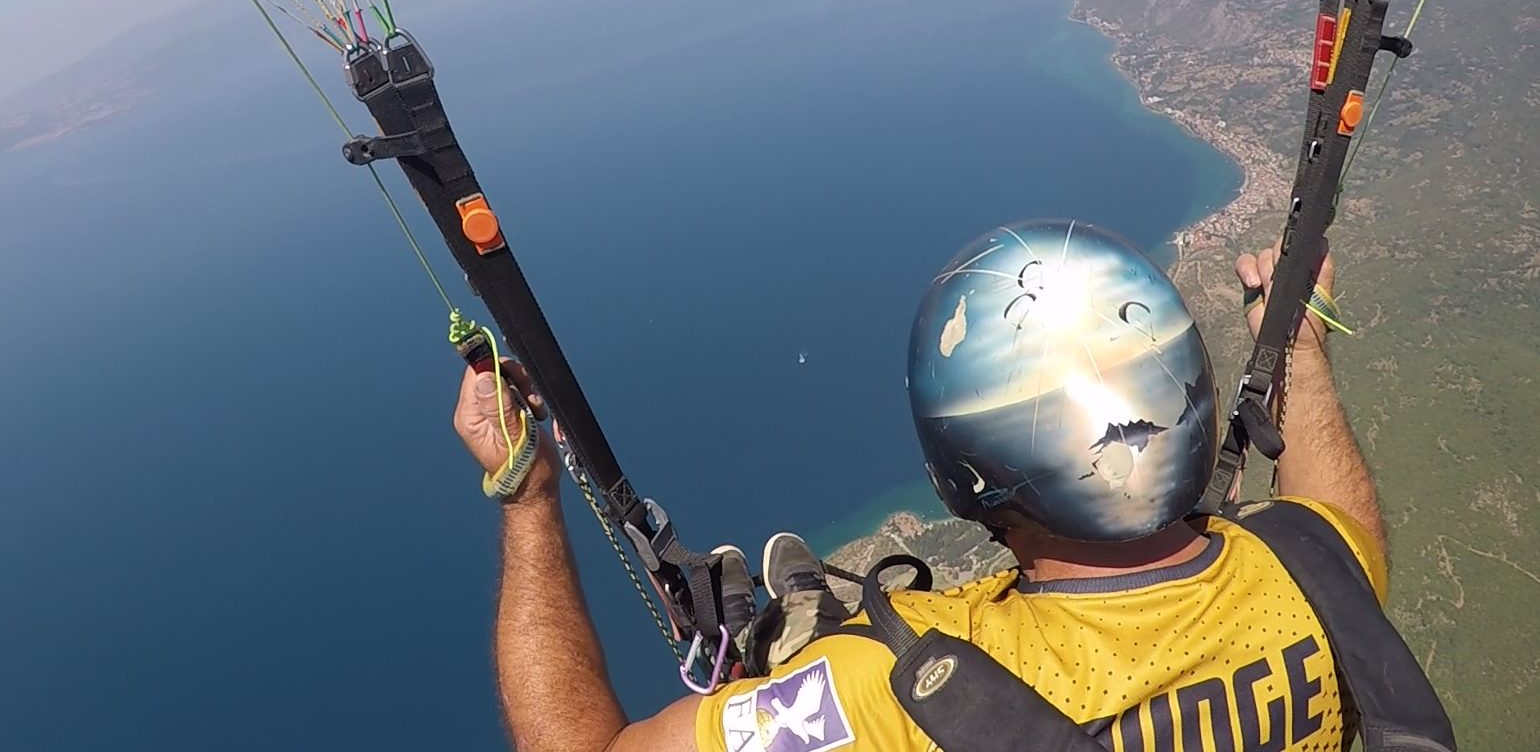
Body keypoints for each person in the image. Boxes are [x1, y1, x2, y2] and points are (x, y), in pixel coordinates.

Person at [452, 219, 1413, 752]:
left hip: (857, 692)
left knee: (843, 635)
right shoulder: (1311, 577)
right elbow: (1338, 509)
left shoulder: (895, 698)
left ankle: (791, 633)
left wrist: (527, 492)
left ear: (967, 477)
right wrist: (1299, 348)